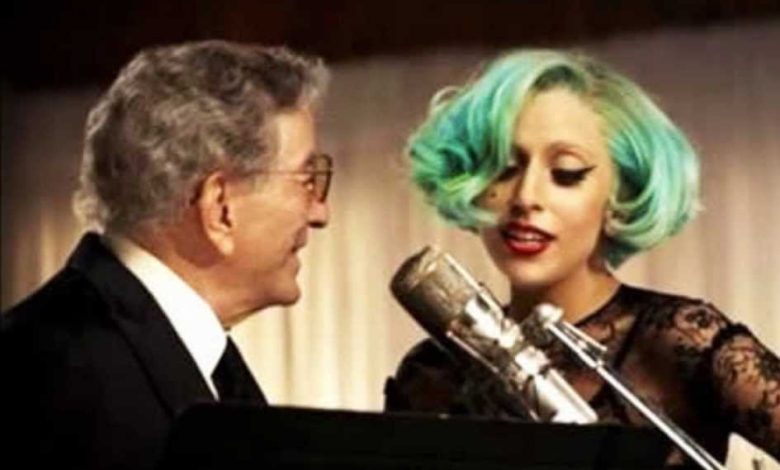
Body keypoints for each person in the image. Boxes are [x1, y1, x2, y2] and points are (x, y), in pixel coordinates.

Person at [384, 49, 780, 465]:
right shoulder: (430, 374)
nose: (526, 197)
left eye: (566, 174)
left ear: (620, 195)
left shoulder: (680, 343)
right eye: (503, 168)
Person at [0, 40, 332, 469]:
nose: (321, 213)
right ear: (220, 207)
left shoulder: (185, 359)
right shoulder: (47, 376)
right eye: (307, 179)